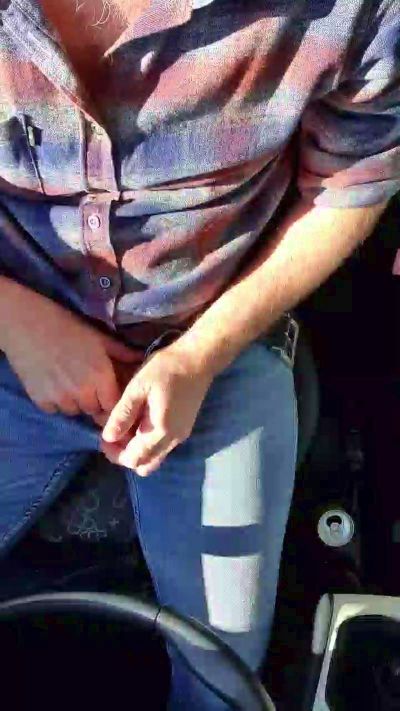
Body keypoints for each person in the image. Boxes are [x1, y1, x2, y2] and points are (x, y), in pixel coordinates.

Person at [0, 0, 398, 707]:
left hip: (216, 345)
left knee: (224, 681)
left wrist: (200, 354)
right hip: (11, 332)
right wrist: (15, 319)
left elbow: (351, 180)